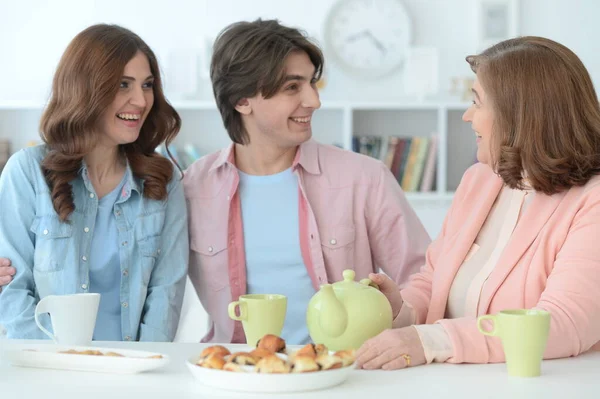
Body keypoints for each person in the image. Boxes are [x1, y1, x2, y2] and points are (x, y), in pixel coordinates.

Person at [354, 36, 600, 370]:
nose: (467, 116)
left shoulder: (592, 201)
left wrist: (431, 340)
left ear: (522, 115)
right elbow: (433, 279)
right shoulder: (479, 180)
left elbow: (565, 323)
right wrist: (399, 309)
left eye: (477, 102)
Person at [183, 19, 430, 345]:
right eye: (292, 87)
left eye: (313, 84)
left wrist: (397, 314)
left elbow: (424, 278)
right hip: (237, 373)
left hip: (344, 375)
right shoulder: (192, 189)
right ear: (241, 100)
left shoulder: (363, 178)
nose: (314, 100)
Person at [0, 24, 189, 341]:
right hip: (47, 374)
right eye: (123, 85)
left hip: (132, 376)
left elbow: (166, 295)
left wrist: (139, 372)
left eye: (147, 85)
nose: (141, 101)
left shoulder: (163, 181)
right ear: (85, 88)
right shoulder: (27, 172)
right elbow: (10, 289)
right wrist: (60, 366)